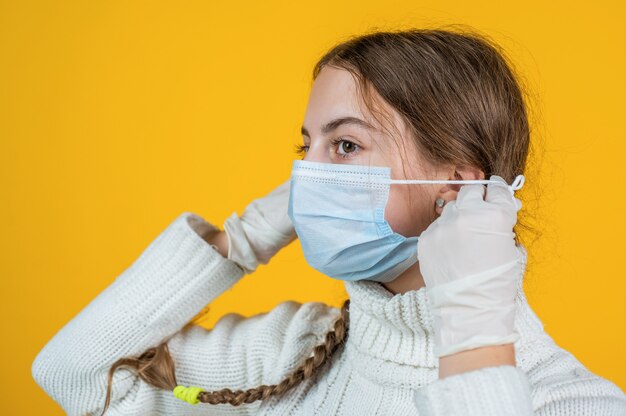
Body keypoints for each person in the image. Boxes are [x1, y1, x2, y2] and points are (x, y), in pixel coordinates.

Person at [32, 28, 626, 416]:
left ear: (459, 189)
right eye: (306, 147)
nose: (305, 178)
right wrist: (240, 237)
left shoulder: (572, 401)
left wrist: (474, 327)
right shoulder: (289, 355)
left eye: (344, 146)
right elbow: (76, 372)